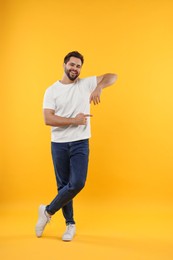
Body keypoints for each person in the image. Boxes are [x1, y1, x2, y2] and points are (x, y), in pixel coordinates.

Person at [35, 51, 117, 241]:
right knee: (63, 185)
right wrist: (74, 120)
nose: (75, 69)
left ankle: (46, 212)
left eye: (78, 66)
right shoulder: (52, 90)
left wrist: (100, 87)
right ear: (64, 64)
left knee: (77, 183)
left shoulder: (85, 84)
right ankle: (70, 224)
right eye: (72, 65)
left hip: (80, 142)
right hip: (59, 144)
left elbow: (113, 76)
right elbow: (48, 119)